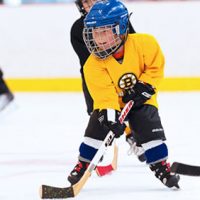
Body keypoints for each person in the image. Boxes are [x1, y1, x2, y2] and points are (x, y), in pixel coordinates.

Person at [67, 0, 181, 188]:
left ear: (119, 29)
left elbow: (155, 68)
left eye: (103, 31)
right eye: (94, 32)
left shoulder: (145, 43)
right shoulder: (92, 64)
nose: (98, 38)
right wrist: (111, 117)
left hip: (141, 98)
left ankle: (161, 165)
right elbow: (104, 95)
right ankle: (84, 163)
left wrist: (145, 86)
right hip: (113, 100)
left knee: (147, 123)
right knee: (97, 127)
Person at [70, 0, 146, 162]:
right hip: (97, 79)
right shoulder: (78, 29)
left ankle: (132, 135)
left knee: (132, 107)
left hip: (122, 73)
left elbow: (132, 45)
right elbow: (90, 64)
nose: (90, 5)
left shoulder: (117, 19)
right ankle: (97, 145)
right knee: (99, 114)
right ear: (80, 5)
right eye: (85, 2)